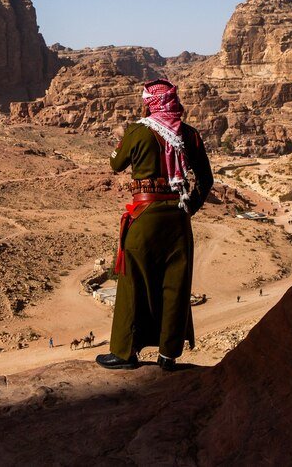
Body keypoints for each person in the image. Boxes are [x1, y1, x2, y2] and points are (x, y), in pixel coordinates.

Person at [95, 80, 213, 372]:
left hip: (144, 215)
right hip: (178, 218)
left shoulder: (138, 131)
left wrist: (121, 139)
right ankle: (168, 356)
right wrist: (189, 208)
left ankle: (125, 352)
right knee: (175, 283)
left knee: (133, 281)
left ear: (149, 102)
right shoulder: (188, 134)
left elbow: (115, 164)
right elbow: (206, 180)